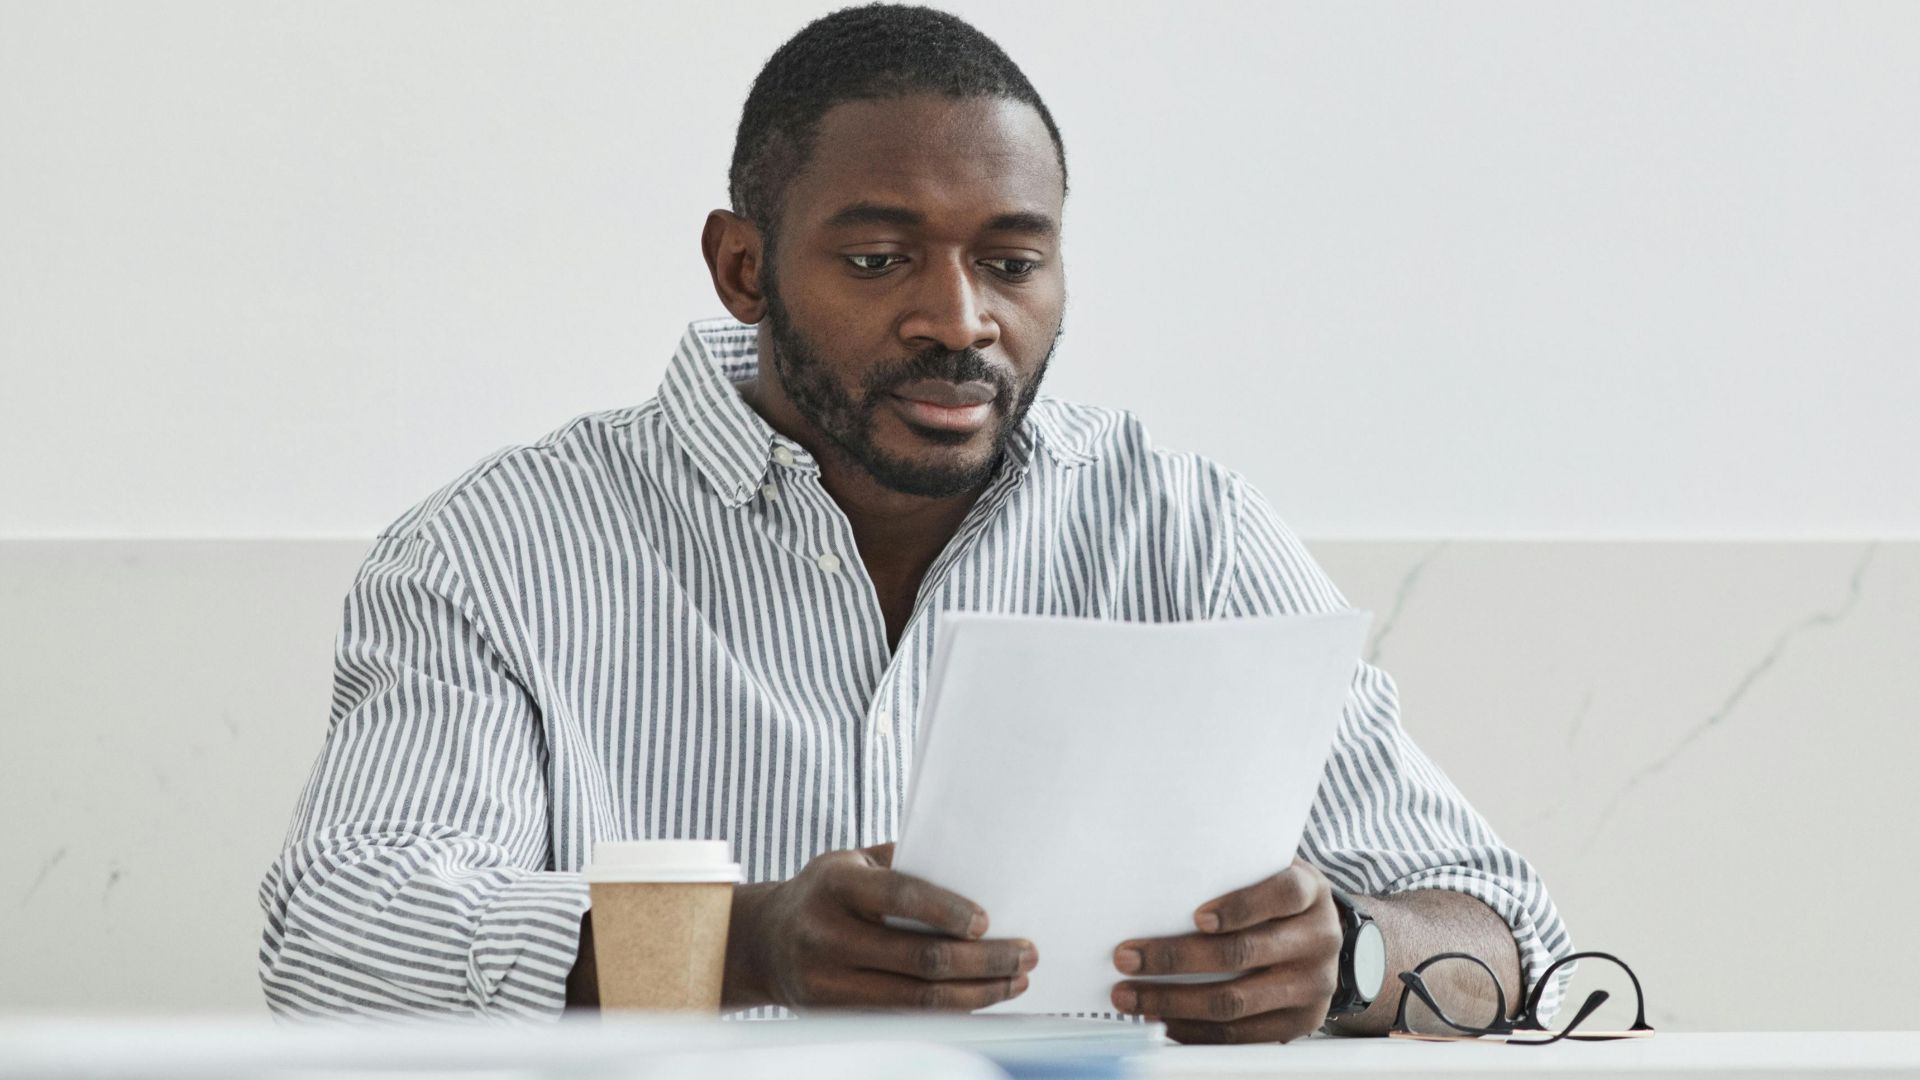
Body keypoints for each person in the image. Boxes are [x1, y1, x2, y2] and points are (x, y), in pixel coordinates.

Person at [257, 3, 1572, 1043]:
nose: (961, 319)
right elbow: (338, 938)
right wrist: (744, 945)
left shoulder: (1185, 530)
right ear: (743, 267)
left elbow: (1511, 931)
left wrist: (1353, 953)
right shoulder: (497, 552)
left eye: (1012, 260)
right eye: (880, 258)